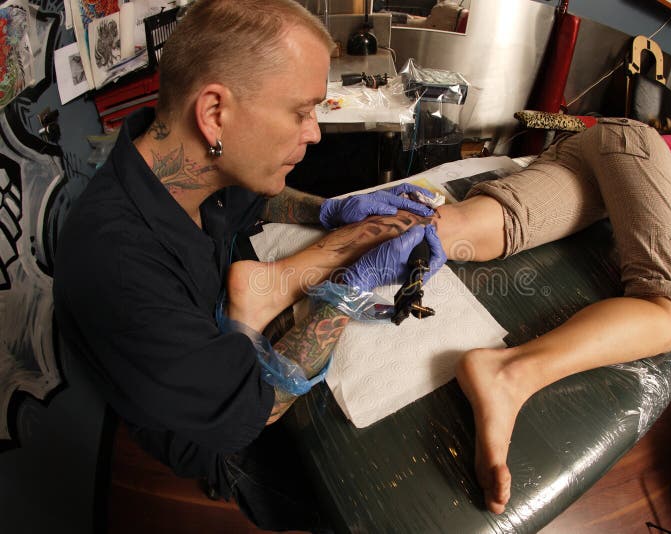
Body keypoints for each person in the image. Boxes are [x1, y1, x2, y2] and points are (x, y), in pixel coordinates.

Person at [53, 0, 439, 530]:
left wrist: (328, 211)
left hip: (221, 328)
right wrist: (349, 288)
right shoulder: (116, 265)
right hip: (219, 442)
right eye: (301, 112)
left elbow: (254, 202)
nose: (315, 133)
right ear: (214, 113)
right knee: (385, 504)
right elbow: (256, 406)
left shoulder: (180, 161)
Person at [272, 117, 671, 515]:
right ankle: (508, 374)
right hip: (635, 149)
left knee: (459, 226)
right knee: (668, 311)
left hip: (597, 149)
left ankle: (277, 278)